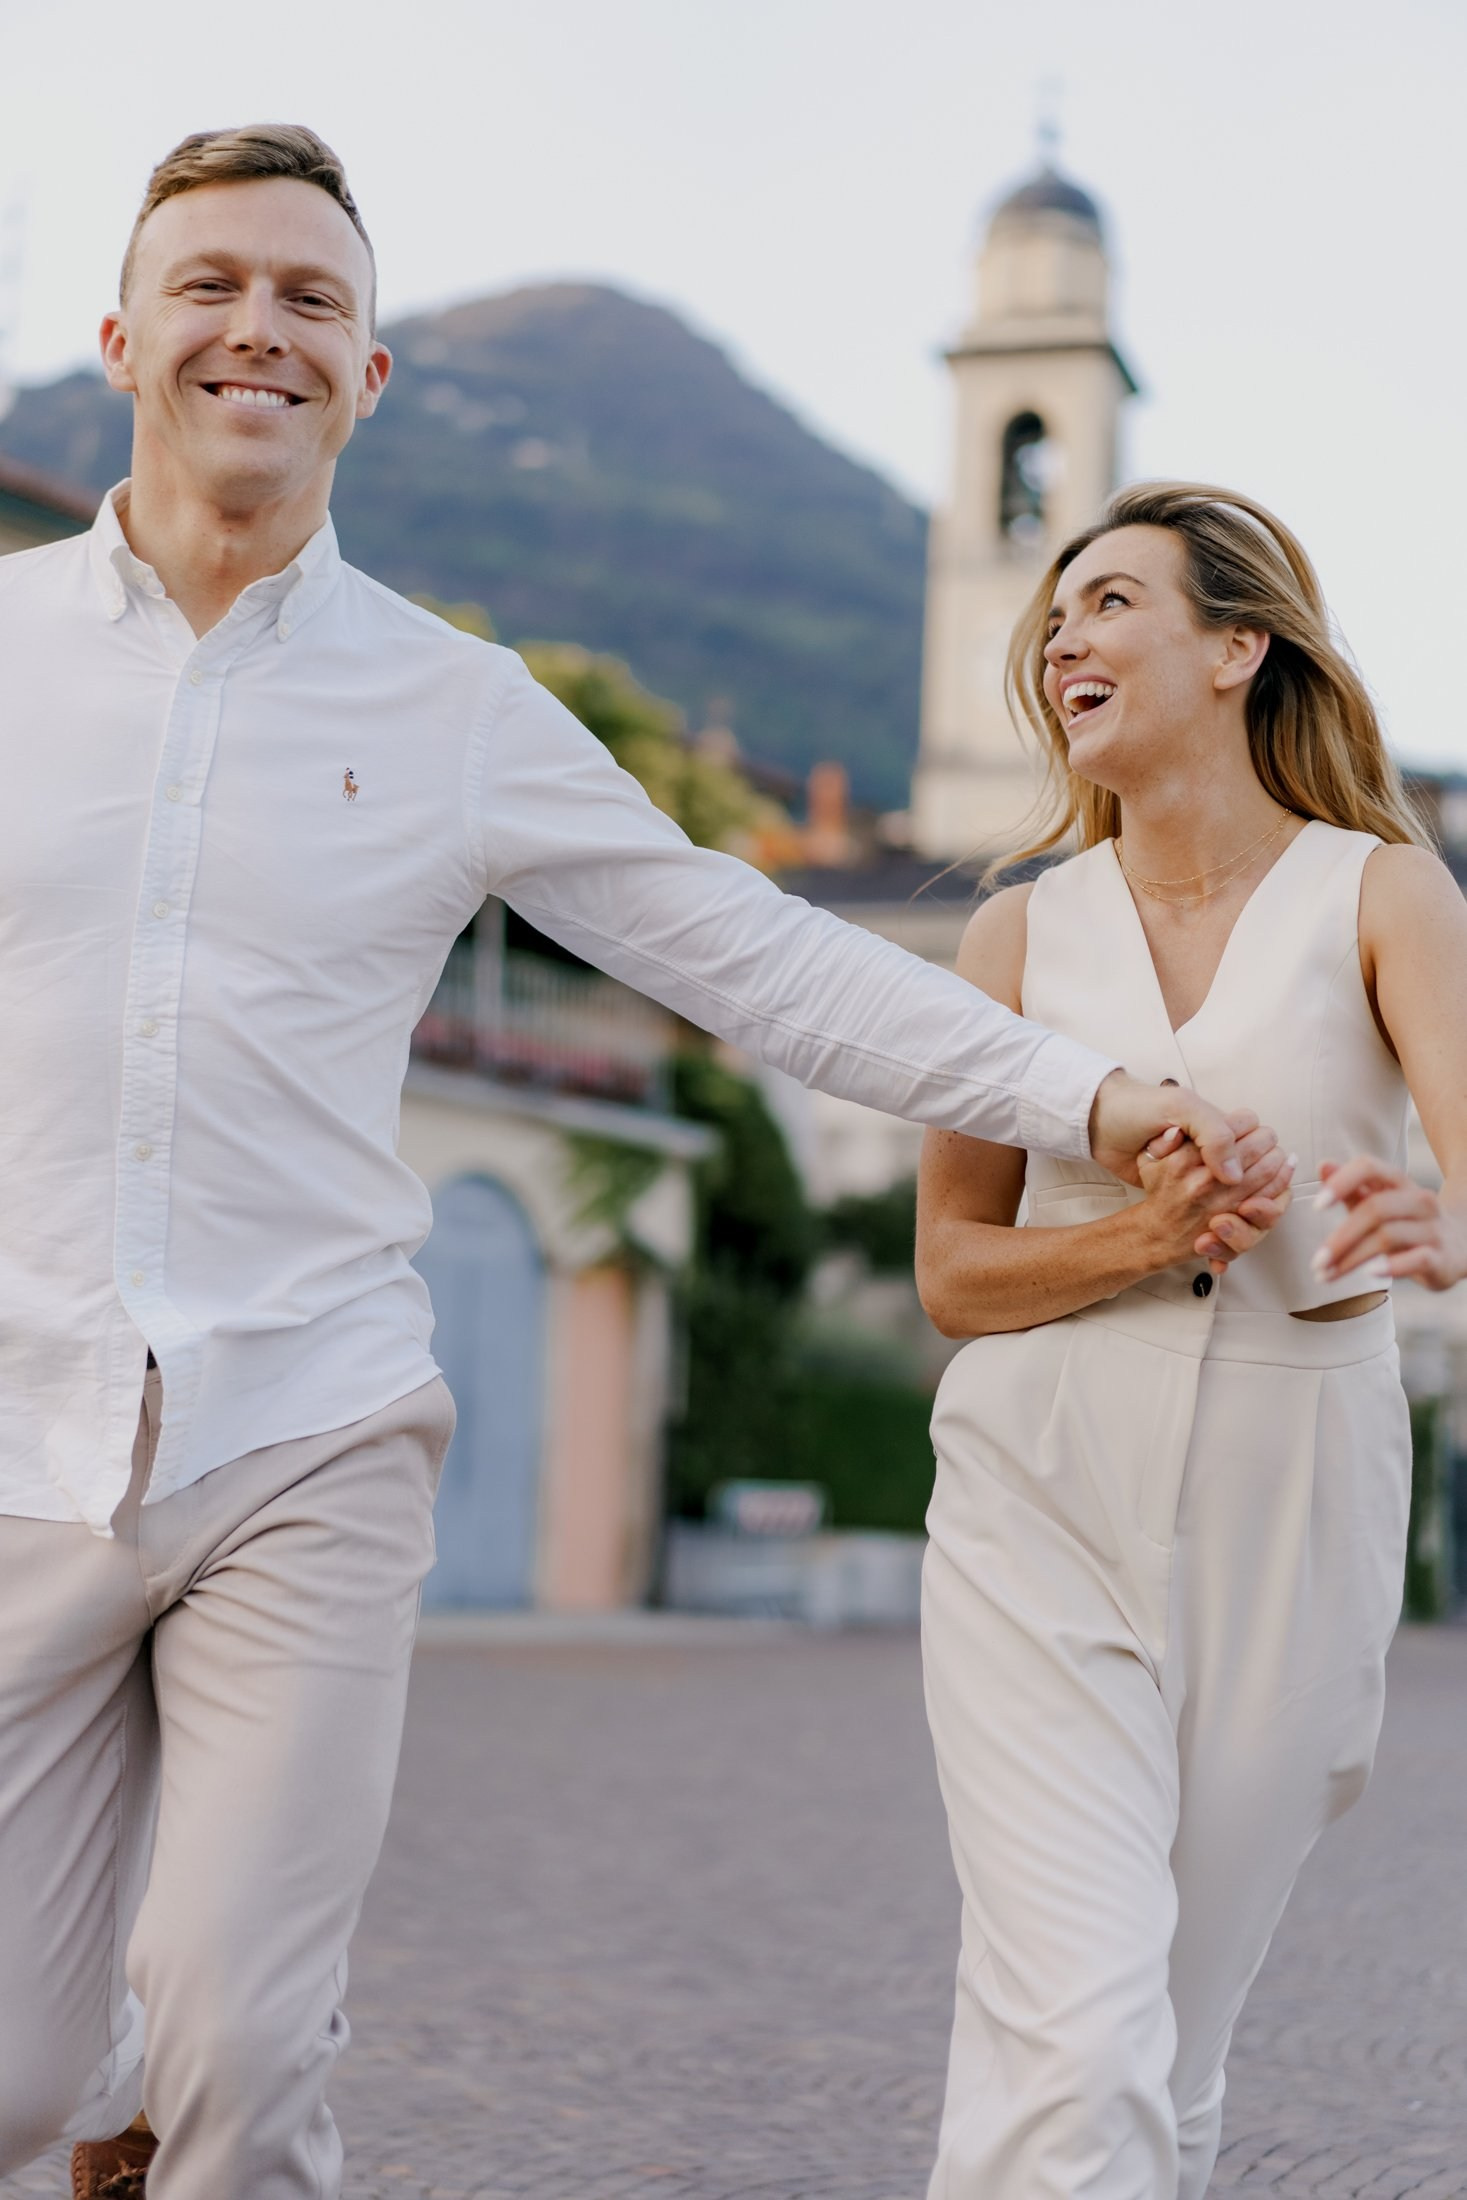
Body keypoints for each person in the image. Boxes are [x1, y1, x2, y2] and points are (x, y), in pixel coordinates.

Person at [0, 129, 1277, 2200]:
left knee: (249, 2055)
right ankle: (115, 2039)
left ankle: (200, 2035)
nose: (261, 328)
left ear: (371, 374)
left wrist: (1091, 1095)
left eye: (313, 297)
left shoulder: (453, 706)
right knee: (18, 2069)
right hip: (16, 1429)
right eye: (216, 283)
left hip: (303, 1427)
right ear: (123, 333)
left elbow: (755, 953)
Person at [915, 479, 1467, 2199]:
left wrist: (1441, 1234)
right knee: (1075, 2030)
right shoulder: (1014, 929)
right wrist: (1146, 1237)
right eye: (1057, 613)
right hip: (1040, 1485)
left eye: (1113, 603)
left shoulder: (1386, 897)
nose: (1066, 635)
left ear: (1240, 647)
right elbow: (951, 1268)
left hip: (1298, 1488)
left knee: (1165, 2037)